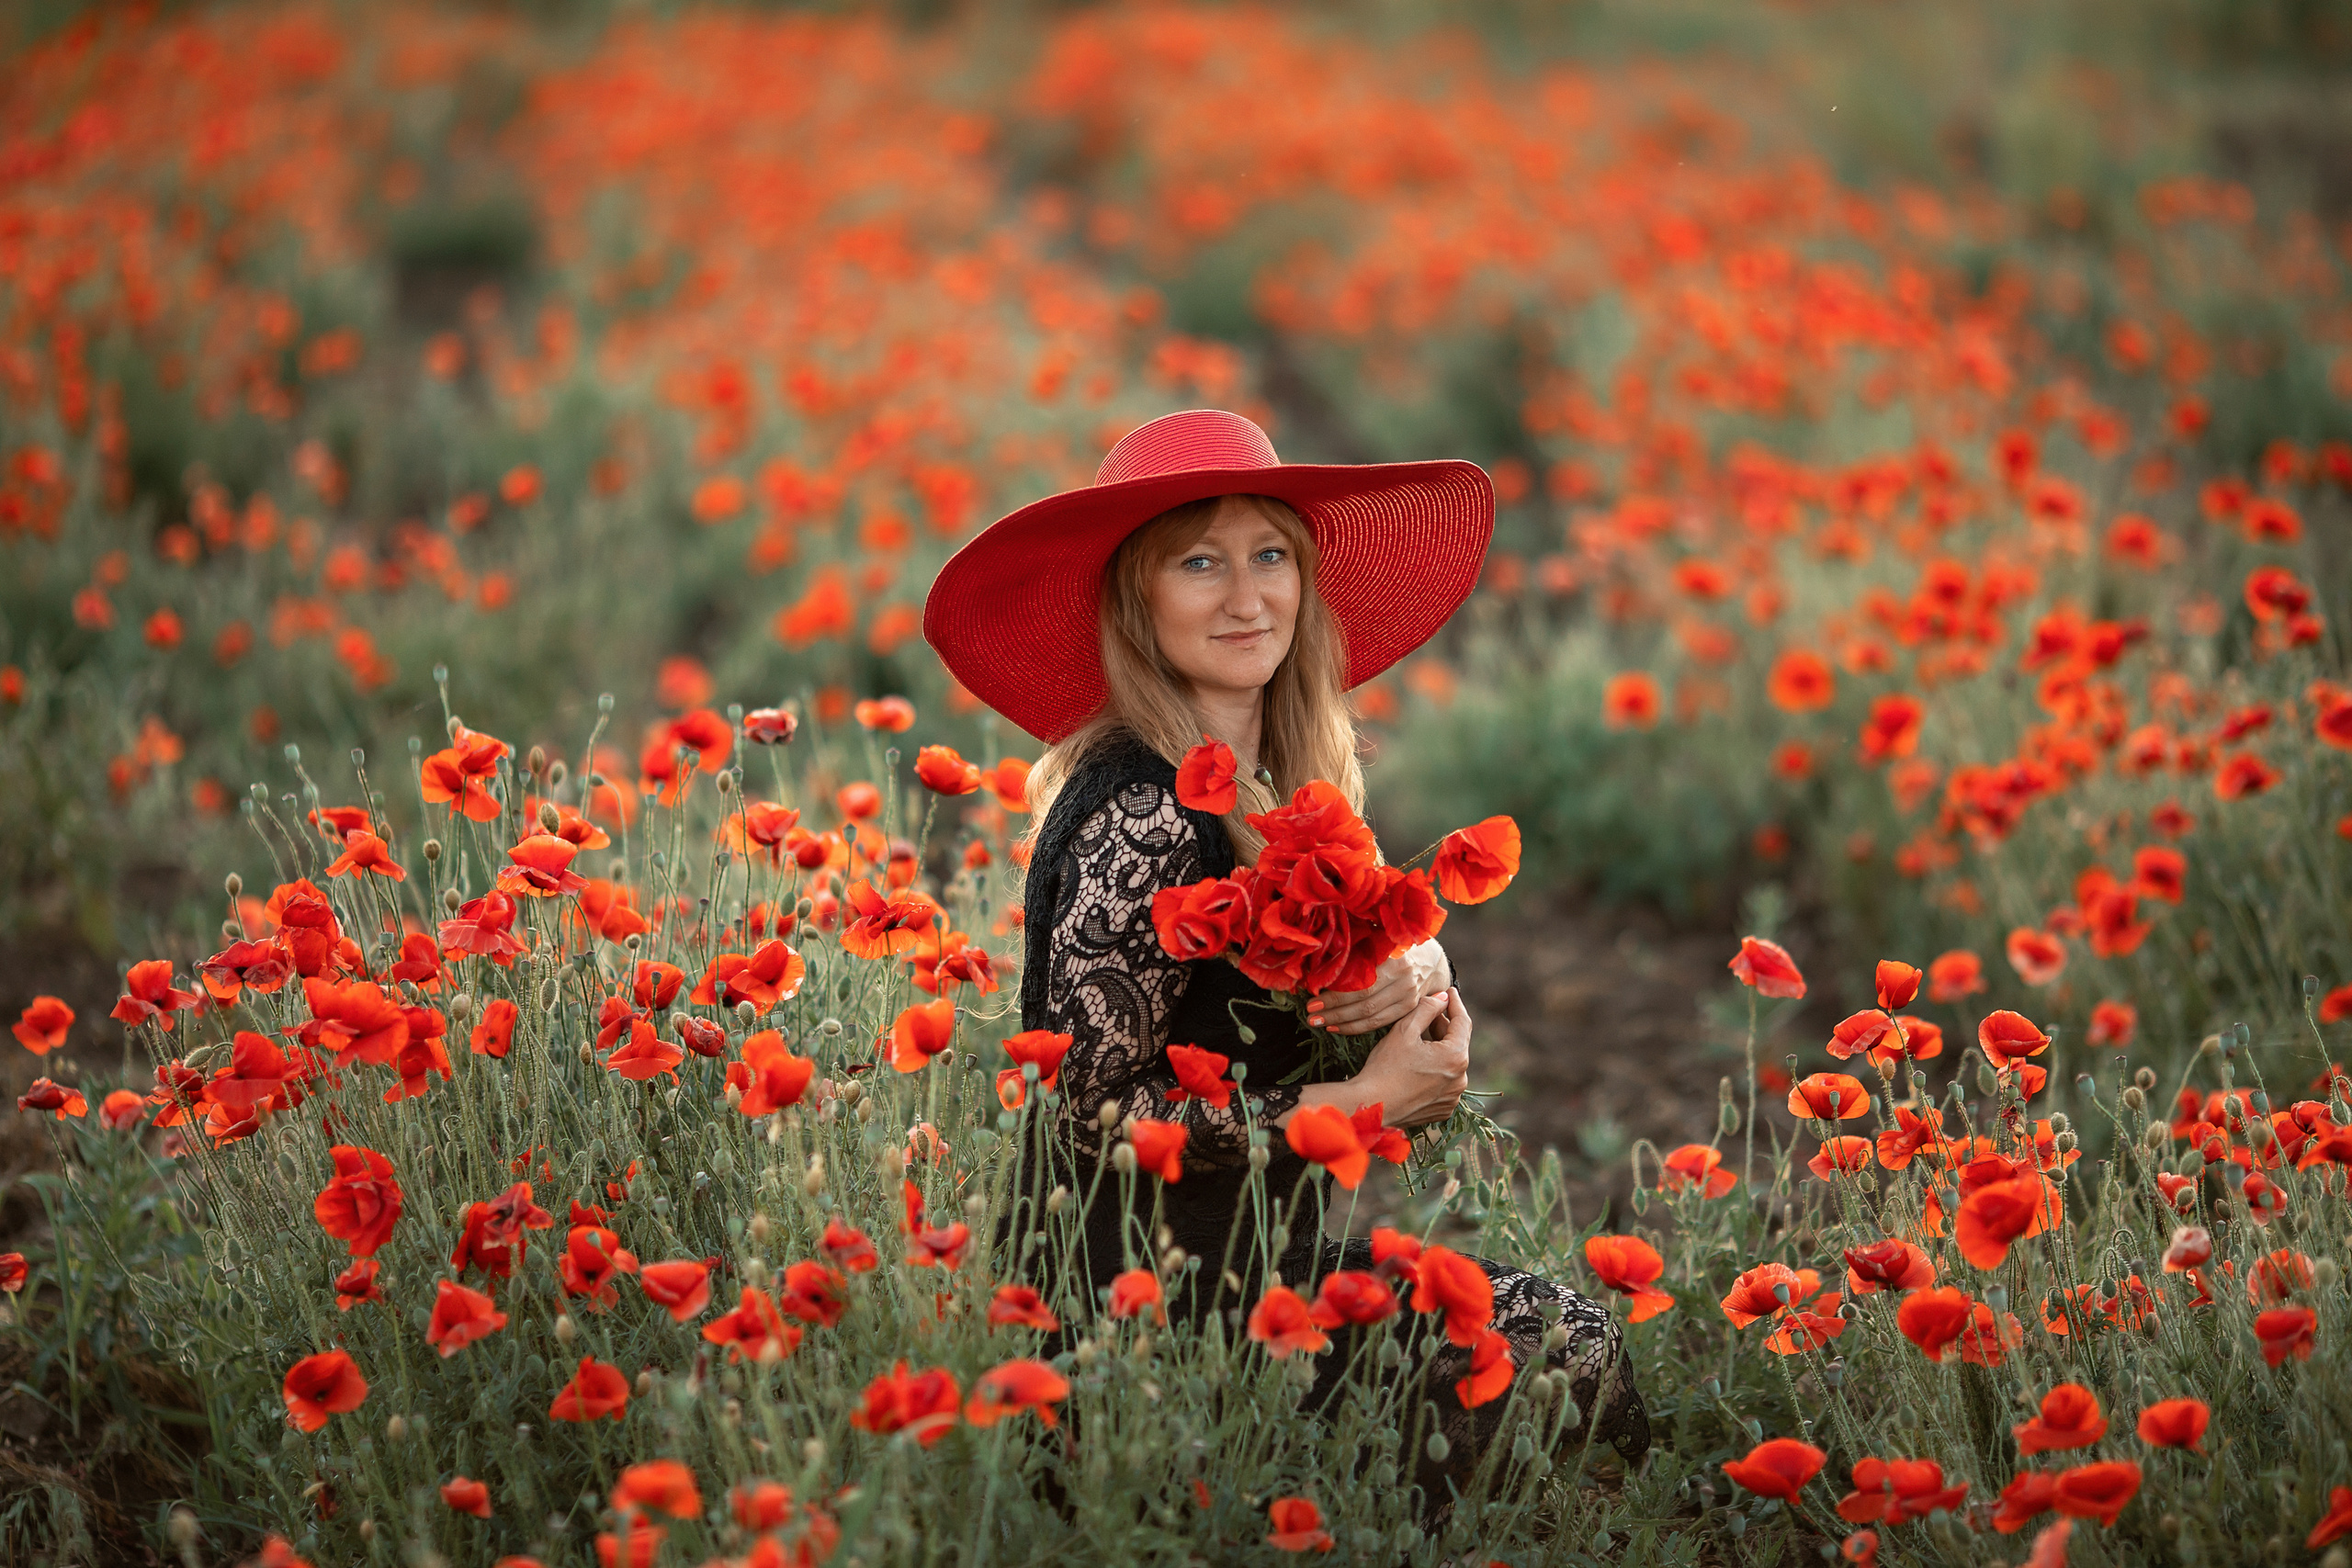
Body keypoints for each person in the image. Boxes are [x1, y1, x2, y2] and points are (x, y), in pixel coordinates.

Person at [922, 408, 1649, 1512]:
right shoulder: (1146, 815)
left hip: (1256, 1255)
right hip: (1136, 1312)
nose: (1245, 595)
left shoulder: (1267, 781)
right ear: (1138, 596)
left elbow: (1291, 985)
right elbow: (1090, 1109)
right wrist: (1360, 1106)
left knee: (1564, 1342)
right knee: (1563, 1352)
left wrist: (1414, 972)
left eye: (1269, 555)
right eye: (1199, 562)